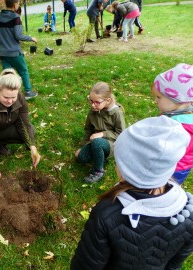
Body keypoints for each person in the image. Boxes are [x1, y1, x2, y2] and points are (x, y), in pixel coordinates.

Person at [70, 116, 193, 269]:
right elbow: (175, 264)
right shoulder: (188, 211)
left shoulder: (106, 214)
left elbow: (86, 266)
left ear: (128, 169)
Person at [0, 69, 41, 185]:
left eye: (13, 97)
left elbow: (24, 124)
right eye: (6, 97)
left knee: (30, 129)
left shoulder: (19, 97)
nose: (10, 101)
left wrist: (32, 147)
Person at [75, 82, 125, 183]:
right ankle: (100, 156)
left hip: (112, 144)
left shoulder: (116, 113)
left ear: (107, 101)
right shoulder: (93, 110)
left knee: (97, 143)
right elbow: (88, 130)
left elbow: (121, 134)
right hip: (95, 141)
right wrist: (83, 146)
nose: (93, 105)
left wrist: (103, 134)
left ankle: (98, 171)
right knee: (81, 158)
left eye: (97, 102)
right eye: (91, 101)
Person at [152, 63, 193, 184]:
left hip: (171, 169)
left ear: (179, 100)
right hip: (181, 167)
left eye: (159, 97)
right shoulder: (181, 115)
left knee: (160, 192)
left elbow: (162, 151)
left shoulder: (177, 127)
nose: (155, 101)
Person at [0, 0, 38, 100]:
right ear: (15, 5)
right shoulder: (16, 18)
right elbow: (18, 35)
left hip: (3, 52)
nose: (18, 5)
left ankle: (6, 94)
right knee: (23, 71)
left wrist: (6, 39)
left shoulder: (0, 17)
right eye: (18, 3)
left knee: (7, 75)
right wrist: (31, 38)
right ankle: (28, 92)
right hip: (14, 52)